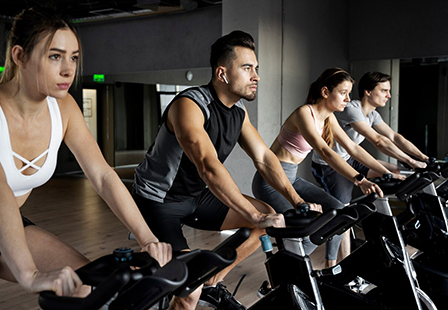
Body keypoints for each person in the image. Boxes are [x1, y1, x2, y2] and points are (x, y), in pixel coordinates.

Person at [0, 7, 171, 309]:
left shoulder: (64, 108)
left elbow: (103, 176)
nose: (68, 70)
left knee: (88, 289)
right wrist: (29, 275)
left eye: (74, 57)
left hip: (4, 226)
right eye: (55, 56)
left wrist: (147, 238)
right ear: (19, 56)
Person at [132, 30, 319, 310]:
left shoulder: (238, 112)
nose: (256, 76)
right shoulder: (190, 105)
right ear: (222, 73)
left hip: (195, 196)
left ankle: (212, 283)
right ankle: (192, 289)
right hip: (158, 201)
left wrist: (297, 200)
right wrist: (251, 213)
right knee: (187, 292)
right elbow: (208, 166)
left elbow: (265, 158)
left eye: (256, 69)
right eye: (247, 68)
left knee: (265, 219)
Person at [252, 68, 403, 267]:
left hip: (293, 178)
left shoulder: (329, 118)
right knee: (301, 230)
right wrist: (359, 179)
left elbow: (352, 148)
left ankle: (287, 269)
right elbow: (325, 152)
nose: (348, 99)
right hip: (271, 181)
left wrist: (386, 172)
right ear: (325, 92)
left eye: (349, 94)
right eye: (343, 93)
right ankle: (282, 276)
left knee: (339, 210)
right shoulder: (304, 113)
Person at [312, 71, 428, 205]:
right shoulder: (351, 110)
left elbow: (395, 137)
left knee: (393, 170)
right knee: (343, 207)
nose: (389, 95)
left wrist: (423, 157)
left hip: (350, 158)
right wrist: (411, 161)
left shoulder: (373, 115)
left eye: (388, 91)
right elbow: (379, 141)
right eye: (384, 91)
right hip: (329, 165)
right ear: (368, 91)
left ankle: (376, 213)